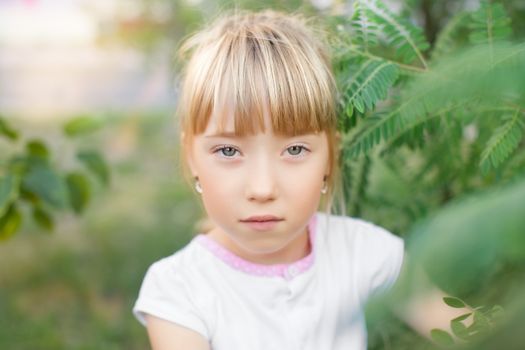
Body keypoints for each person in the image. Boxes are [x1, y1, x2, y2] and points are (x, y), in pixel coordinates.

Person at [132, 9, 470, 350]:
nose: (262, 189)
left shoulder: (365, 253)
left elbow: (479, 335)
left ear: (329, 156)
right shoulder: (178, 290)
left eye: (294, 149)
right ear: (191, 156)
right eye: (229, 151)